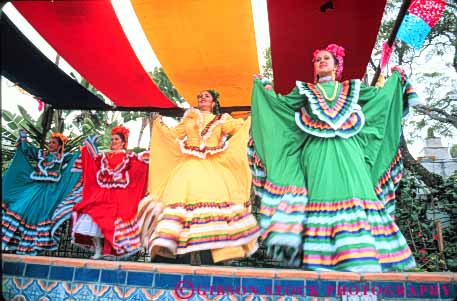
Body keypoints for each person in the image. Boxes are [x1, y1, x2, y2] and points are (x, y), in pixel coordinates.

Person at [250, 43, 418, 272]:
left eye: (326, 58)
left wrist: (395, 81)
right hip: (317, 151)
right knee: (322, 194)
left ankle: (360, 259)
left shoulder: (355, 88)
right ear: (315, 68)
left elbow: (381, 99)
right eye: (318, 59)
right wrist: (264, 88)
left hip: (349, 150)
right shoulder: (304, 90)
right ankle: (323, 264)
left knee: (356, 192)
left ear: (337, 65)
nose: (321, 61)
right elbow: (280, 106)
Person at [137, 90, 260, 263]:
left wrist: (254, 117)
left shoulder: (222, 119)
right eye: (199, 96)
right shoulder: (189, 118)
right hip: (187, 166)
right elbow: (173, 136)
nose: (202, 97)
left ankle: (209, 254)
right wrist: (160, 125)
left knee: (211, 205)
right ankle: (175, 254)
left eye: (206, 96)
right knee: (180, 203)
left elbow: (240, 129)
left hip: (212, 167)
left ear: (213, 103)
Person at [71, 126, 149, 259]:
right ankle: (98, 249)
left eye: (116, 139)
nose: (113, 141)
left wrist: (148, 156)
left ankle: (109, 250)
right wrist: (88, 146)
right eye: (112, 139)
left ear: (123, 142)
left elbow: (139, 167)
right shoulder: (103, 157)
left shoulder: (129, 157)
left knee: (112, 221)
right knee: (91, 213)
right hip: (102, 192)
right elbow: (91, 165)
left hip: (120, 194)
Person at [2, 130, 81, 254]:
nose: (50, 144)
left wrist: (86, 149)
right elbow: (27, 150)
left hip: (49, 192)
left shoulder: (63, 158)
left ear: (60, 146)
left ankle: (32, 246)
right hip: (35, 189)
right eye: (50, 142)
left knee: (38, 216)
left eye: (54, 143)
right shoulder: (42, 154)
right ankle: (16, 242)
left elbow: (77, 159)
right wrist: (23, 138)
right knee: (20, 209)